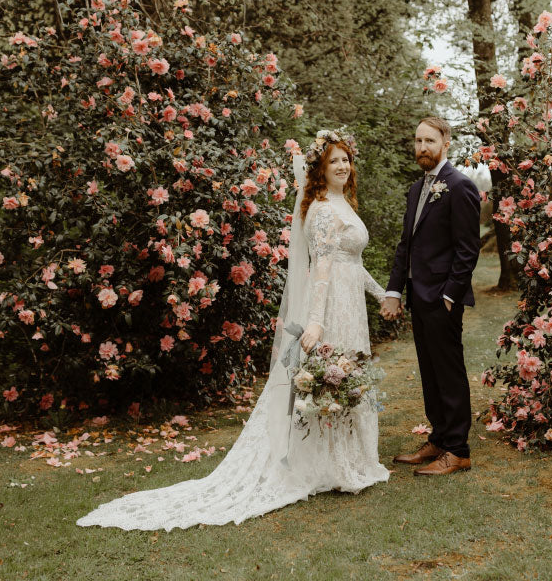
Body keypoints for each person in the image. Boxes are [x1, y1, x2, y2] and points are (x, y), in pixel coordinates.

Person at [77, 130, 388, 531]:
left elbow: (351, 263)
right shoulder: (324, 209)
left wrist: (383, 294)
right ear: (320, 169)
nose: (343, 166)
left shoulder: (343, 202)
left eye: (346, 159)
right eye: (334, 161)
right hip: (330, 308)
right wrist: (316, 320)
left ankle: (346, 458)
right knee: (331, 377)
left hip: (351, 306)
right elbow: (322, 267)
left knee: (345, 376)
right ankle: (330, 464)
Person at [381, 117, 481, 476]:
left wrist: (450, 296)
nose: (422, 147)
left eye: (429, 141)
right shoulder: (416, 189)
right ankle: (439, 439)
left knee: (449, 372)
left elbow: (467, 250)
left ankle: (458, 450)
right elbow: (405, 246)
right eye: (418, 140)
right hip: (418, 297)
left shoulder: (460, 186)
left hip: (442, 298)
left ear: (445, 143)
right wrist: (394, 290)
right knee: (430, 371)